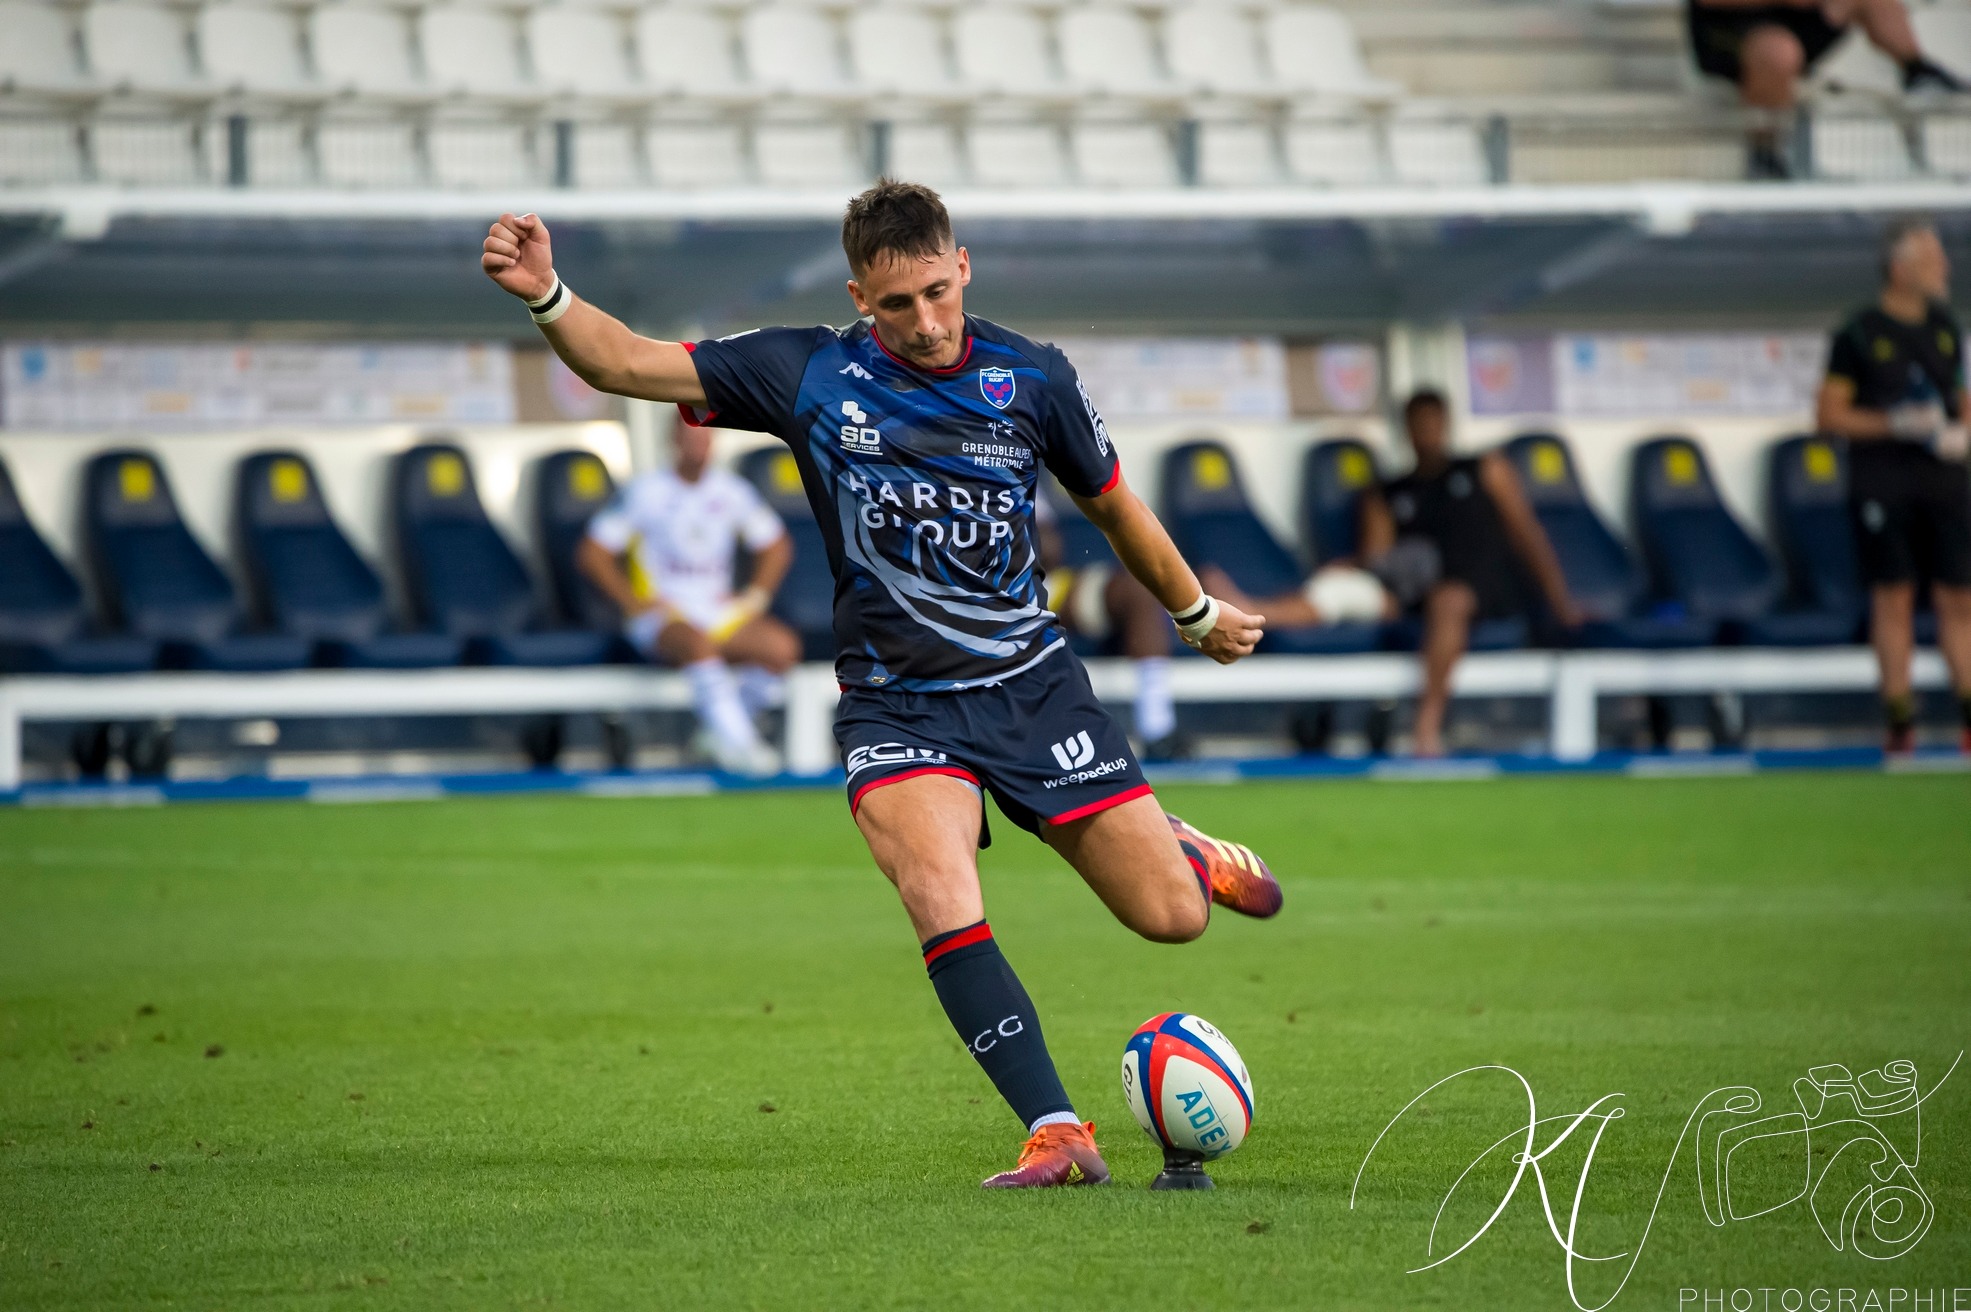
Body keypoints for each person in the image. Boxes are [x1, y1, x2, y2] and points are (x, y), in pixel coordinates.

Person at [481, 181, 1282, 1189]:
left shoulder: (1032, 377)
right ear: (861, 296)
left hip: (1032, 688)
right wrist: (546, 293)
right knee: (938, 892)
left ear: (963, 268)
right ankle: (1056, 1130)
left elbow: (1116, 508)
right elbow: (624, 361)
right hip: (896, 703)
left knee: (1170, 917)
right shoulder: (809, 371)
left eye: (939, 293)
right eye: (897, 304)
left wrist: (1195, 613)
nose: (927, 322)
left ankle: (1182, 848)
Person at [1815, 219, 1971, 754]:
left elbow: (1961, 398)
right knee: (1894, 596)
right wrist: (1893, 424)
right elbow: (1829, 416)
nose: (1944, 268)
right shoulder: (1858, 333)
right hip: (1883, 483)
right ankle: (1900, 721)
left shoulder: (1946, 327)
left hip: (1944, 481)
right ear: (1900, 269)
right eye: (1932, 259)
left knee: (1959, 596)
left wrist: (1960, 433)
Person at [577, 422, 800, 777]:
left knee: (781, 648)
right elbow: (594, 552)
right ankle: (742, 746)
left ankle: (718, 731)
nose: (699, 447)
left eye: (705, 439)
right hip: (665, 613)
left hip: (716, 609)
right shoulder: (646, 491)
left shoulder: (732, 491)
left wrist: (755, 596)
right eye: (691, 439)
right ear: (674, 441)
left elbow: (776, 545)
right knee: (697, 645)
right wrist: (632, 602)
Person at [1364, 390, 1578, 757]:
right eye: (1418, 424)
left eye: (1433, 423)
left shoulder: (1485, 469)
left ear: (1445, 424)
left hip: (1488, 588)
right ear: (1406, 429)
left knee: (1451, 599)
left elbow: (1529, 537)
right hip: (1420, 592)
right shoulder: (1387, 492)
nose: (1427, 432)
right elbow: (1375, 559)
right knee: (1431, 598)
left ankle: (1426, 728)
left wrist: (1561, 604)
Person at [1687, 0, 1963, 179]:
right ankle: (1766, 153)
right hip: (1730, 31)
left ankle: (1917, 71)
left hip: (1797, 23)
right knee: (1778, 53)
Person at [1034, 487, 1192, 761]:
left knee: (1137, 590)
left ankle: (1157, 728)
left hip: (1045, 582)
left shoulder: (1011, 468)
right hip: (981, 596)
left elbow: (1048, 546)